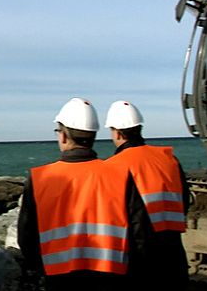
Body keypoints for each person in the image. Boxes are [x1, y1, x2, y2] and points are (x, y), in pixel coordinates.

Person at [17, 98, 130, 290]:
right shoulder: (121, 173)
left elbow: (27, 237)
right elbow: (138, 228)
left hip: (59, 276)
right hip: (111, 273)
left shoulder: (39, 178)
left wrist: (41, 268)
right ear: (93, 136)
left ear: (62, 136)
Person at [104, 100, 190, 290]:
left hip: (137, 259)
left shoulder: (114, 166)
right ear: (139, 128)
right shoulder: (169, 159)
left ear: (116, 132)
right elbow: (184, 199)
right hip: (173, 253)